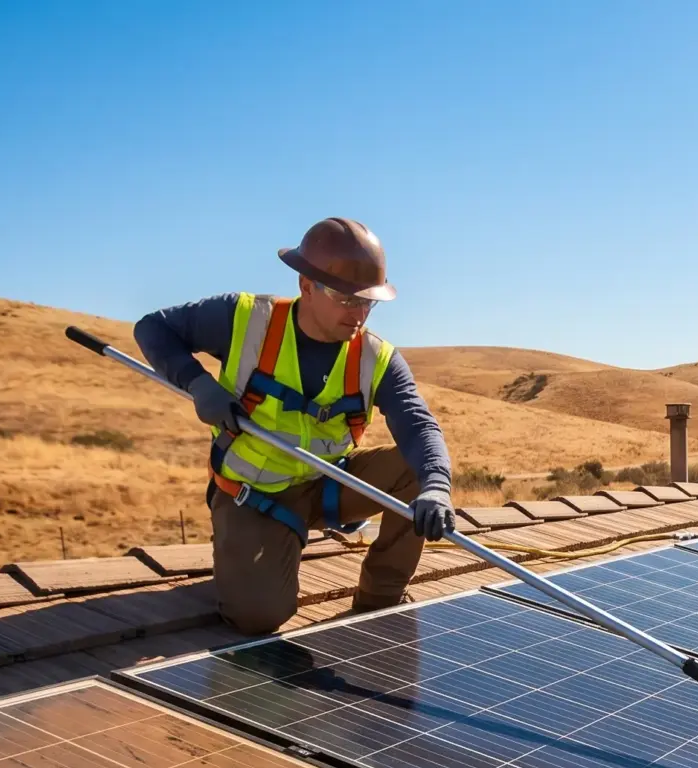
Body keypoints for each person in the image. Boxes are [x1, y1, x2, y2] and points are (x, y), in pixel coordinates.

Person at [134, 217, 457, 634]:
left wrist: (436, 486)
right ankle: (246, 552)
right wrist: (198, 384)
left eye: (368, 302)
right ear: (307, 286)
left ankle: (381, 598)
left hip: (327, 484)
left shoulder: (377, 358)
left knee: (418, 470)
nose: (359, 313)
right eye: (347, 299)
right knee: (258, 617)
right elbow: (152, 328)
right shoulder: (245, 319)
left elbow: (419, 427)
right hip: (254, 494)